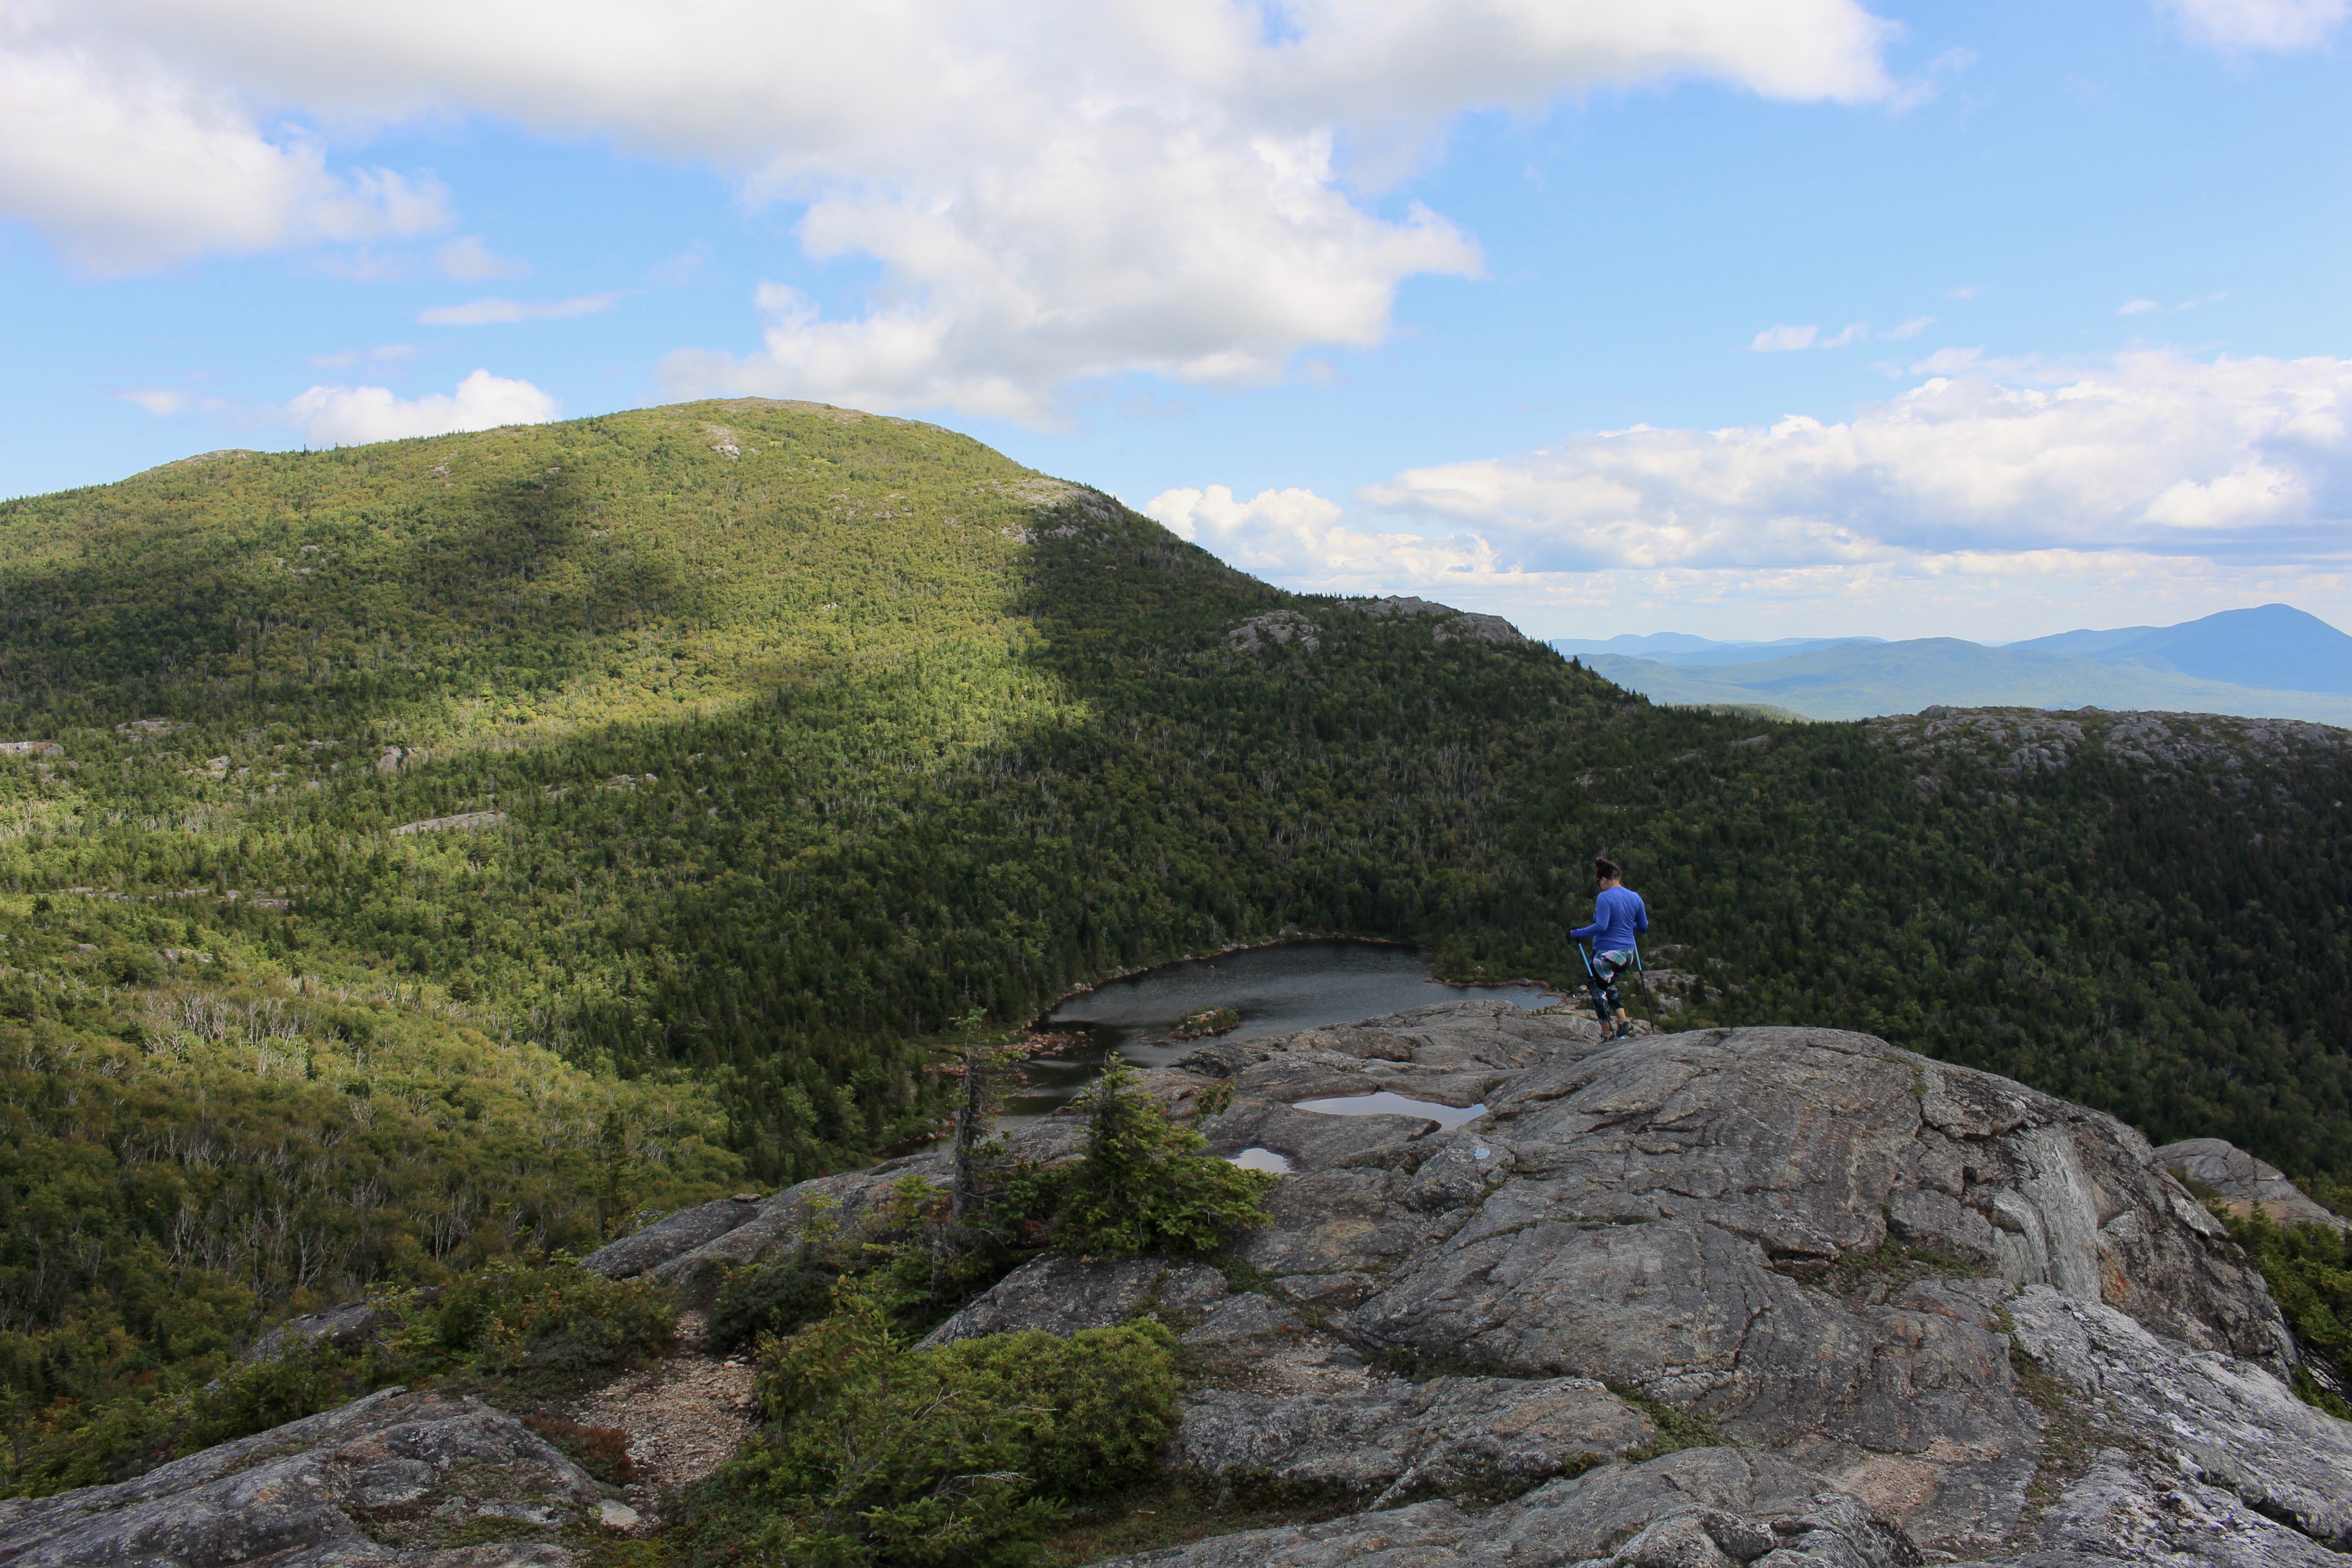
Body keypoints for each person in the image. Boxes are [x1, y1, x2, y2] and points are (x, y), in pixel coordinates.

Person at [1571, 857, 1648, 1040]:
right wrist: (1627, 925)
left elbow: (1601, 926)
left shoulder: (1605, 897)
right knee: (1608, 985)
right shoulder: (1635, 897)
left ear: (1604, 880)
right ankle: (1623, 1022)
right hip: (1628, 954)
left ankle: (1607, 1034)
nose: (1600, 886)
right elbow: (1643, 926)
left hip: (1606, 953)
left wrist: (1577, 933)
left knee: (1598, 992)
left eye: (1599, 882)